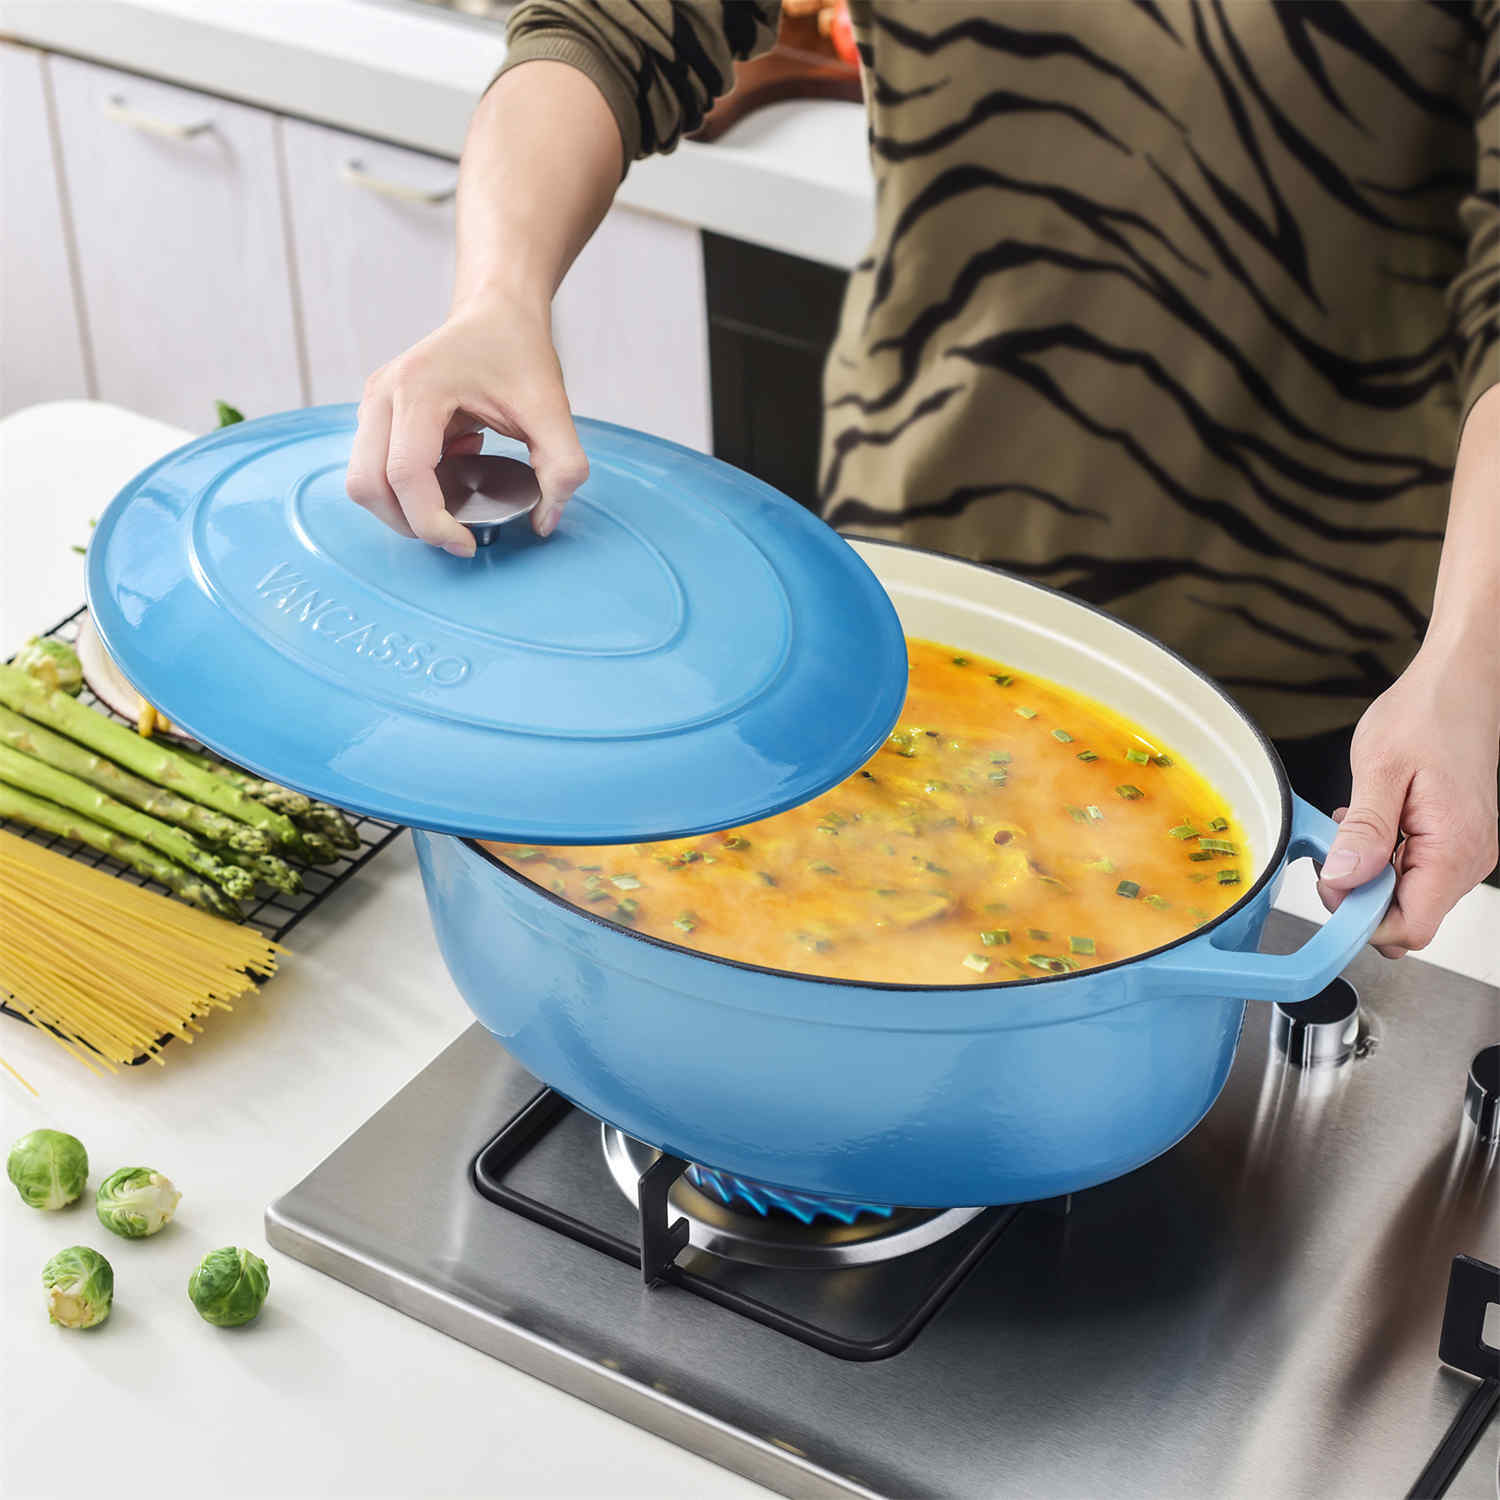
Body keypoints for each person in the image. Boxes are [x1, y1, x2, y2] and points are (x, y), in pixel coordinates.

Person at [345, 1, 1499, 960]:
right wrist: (496, 301)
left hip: (1333, 691)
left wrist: (1464, 668)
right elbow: (608, 26)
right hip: (897, 618)